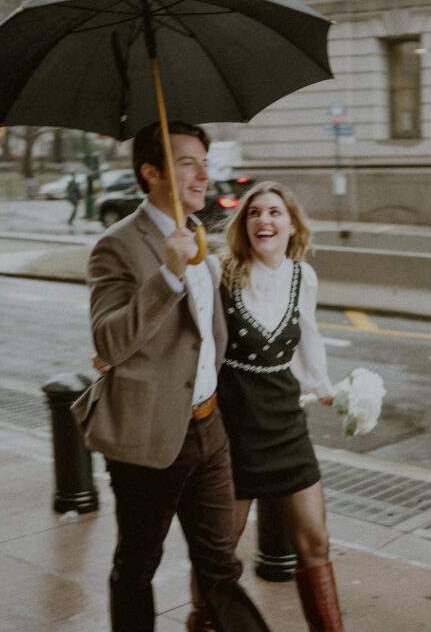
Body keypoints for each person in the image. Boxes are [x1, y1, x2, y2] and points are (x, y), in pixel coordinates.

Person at [71, 120, 271, 632]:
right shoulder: (118, 245)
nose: (204, 174)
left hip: (209, 429)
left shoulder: (200, 237)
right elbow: (110, 341)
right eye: (188, 163)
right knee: (137, 567)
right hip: (148, 437)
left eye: (204, 161)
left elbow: (207, 336)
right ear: (151, 172)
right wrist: (168, 275)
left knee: (221, 568)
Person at [187, 180, 343, 632]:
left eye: (275, 212)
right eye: (255, 213)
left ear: (291, 225)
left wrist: (323, 384)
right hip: (232, 428)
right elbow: (188, 324)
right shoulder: (221, 270)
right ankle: (205, 624)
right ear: (244, 224)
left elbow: (308, 334)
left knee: (315, 541)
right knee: (220, 553)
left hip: (286, 421)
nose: (264, 220)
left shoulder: (303, 277)